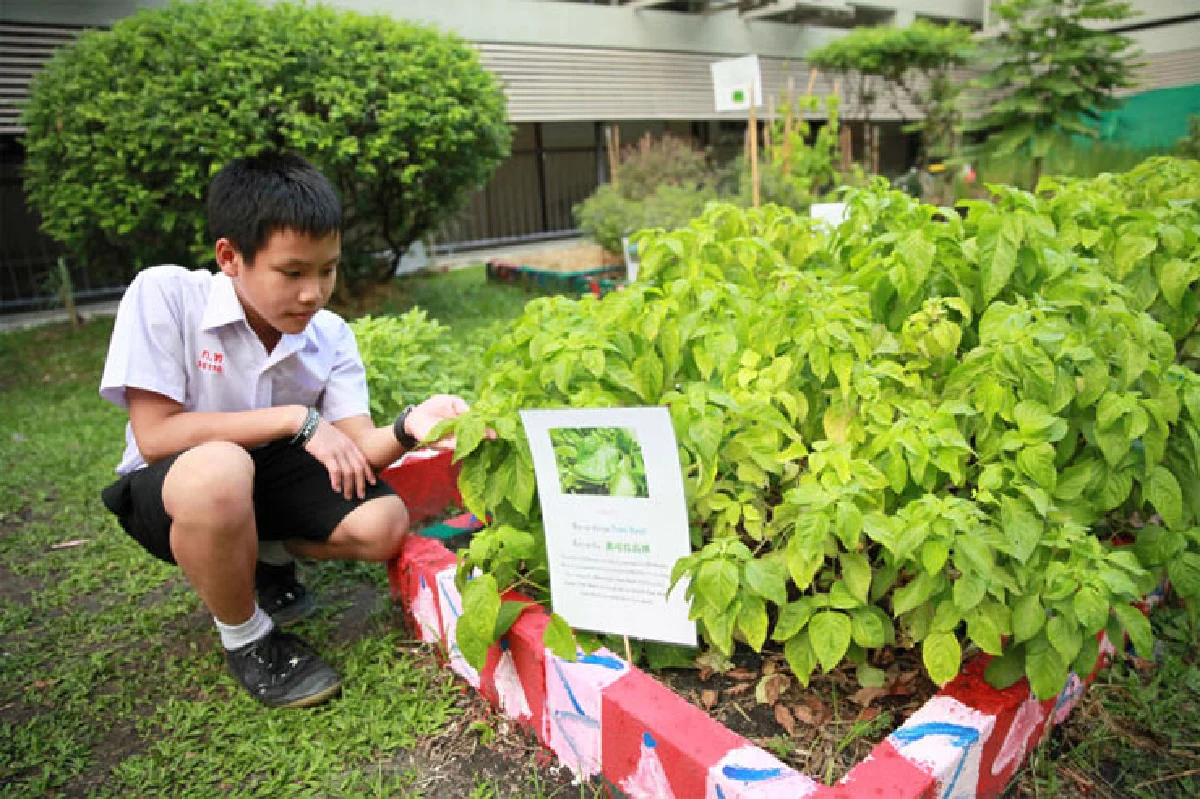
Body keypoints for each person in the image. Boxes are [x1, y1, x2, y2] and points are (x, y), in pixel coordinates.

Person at [99, 152, 468, 708]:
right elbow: (155, 436)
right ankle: (248, 637)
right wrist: (297, 419)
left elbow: (358, 446)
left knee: (382, 521)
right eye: (292, 273)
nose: (313, 293)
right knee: (222, 467)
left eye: (327, 270)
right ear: (230, 256)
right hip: (177, 487)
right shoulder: (166, 295)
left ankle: (265, 553)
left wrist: (411, 425)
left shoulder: (331, 335)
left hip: (263, 480)